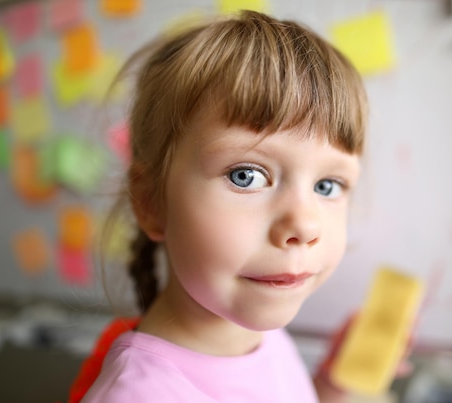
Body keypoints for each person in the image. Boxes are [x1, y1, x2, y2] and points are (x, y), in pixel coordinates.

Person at [81, 9, 368, 403]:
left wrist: (333, 386)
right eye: (245, 175)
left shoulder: (258, 331)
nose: (305, 224)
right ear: (151, 202)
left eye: (327, 184)